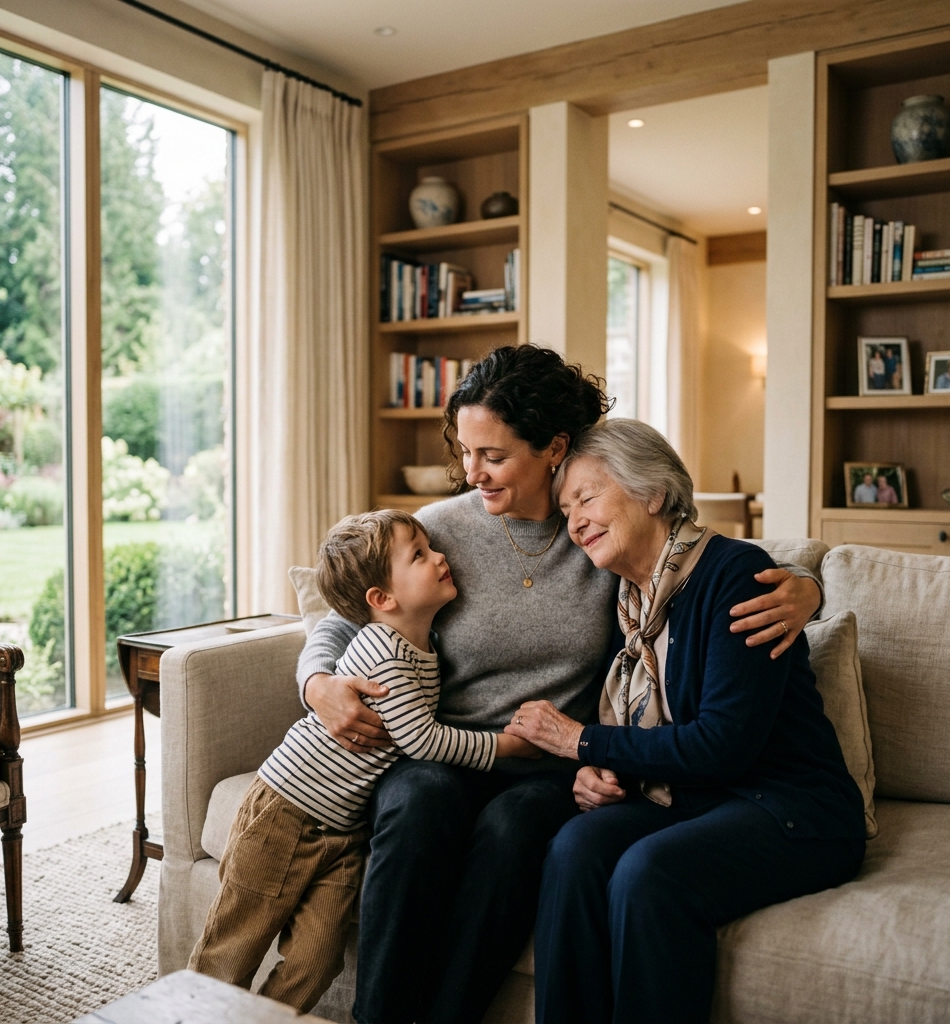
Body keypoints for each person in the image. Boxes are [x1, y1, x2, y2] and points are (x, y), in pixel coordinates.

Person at [299, 345, 825, 1024]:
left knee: (517, 825)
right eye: (465, 452)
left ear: (552, 448)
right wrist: (317, 683)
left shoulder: (602, 535)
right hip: (444, 748)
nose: (472, 473)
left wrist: (806, 588)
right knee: (418, 800)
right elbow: (347, 615)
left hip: (549, 764)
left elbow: (697, 560)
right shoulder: (437, 531)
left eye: (492, 455)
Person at [506, 419, 866, 1024]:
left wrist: (581, 741)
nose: (575, 523)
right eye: (566, 511)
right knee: (574, 849)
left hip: (790, 806)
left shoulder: (736, 574)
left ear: (653, 492)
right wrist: (595, 769)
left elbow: (723, 745)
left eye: (587, 498)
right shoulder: (629, 603)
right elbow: (640, 731)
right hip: (694, 798)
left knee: (649, 874)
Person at [187, 510, 538, 1012]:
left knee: (316, 962)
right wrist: (507, 746)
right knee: (232, 948)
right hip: (286, 813)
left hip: (341, 834)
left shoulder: (425, 646)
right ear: (382, 599)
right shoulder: (383, 651)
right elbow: (423, 742)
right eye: (419, 554)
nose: (440, 556)